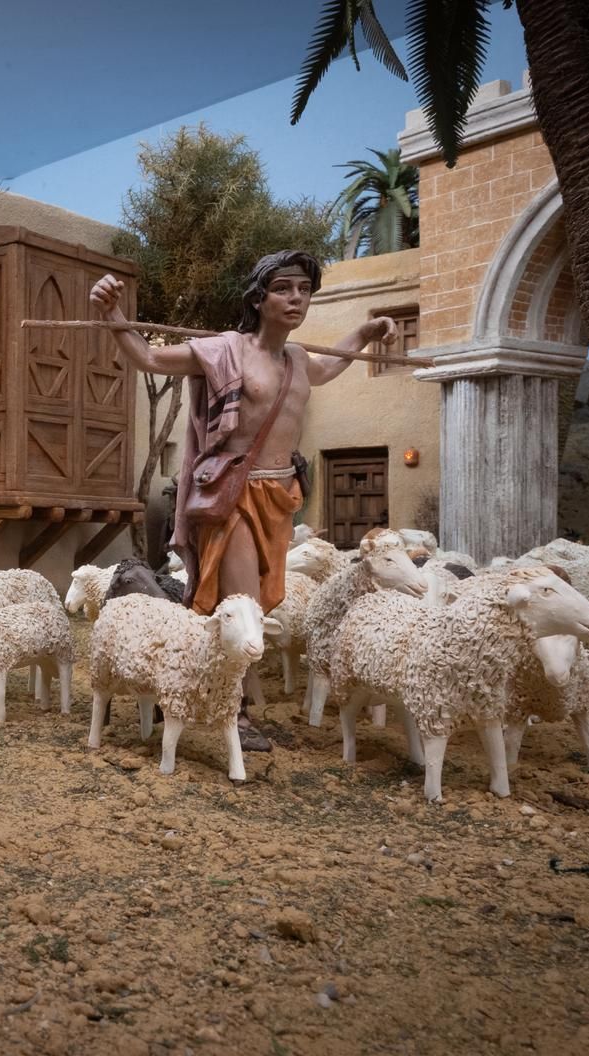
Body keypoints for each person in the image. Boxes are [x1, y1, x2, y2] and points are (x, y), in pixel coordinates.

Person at [90, 250, 397, 751]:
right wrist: (114, 315)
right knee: (242, 603)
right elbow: (149, 358)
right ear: (258, 298)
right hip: (232, 494)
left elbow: (326, 369)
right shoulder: (224, 351)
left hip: (280, 496)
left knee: (256, 599)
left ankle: (185, 678)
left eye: (304, 289)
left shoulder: (298, 359)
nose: (296, 298)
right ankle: (236, 710)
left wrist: (363, 334)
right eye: (283, 288)